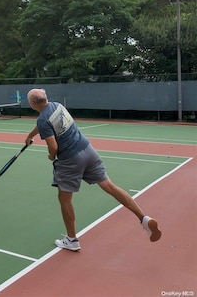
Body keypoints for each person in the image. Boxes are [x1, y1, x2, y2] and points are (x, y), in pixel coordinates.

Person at [24, 88, 161, 251]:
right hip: (88, 150)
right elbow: (45, 123)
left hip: (70, 159)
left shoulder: (42, 120)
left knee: (64, 199)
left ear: (32, 103)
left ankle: (72, 240)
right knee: (111, 187)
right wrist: (30, 135)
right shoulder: (57, 106)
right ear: (45, 99)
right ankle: (143, 218)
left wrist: (51, 156)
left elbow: (52, 145)